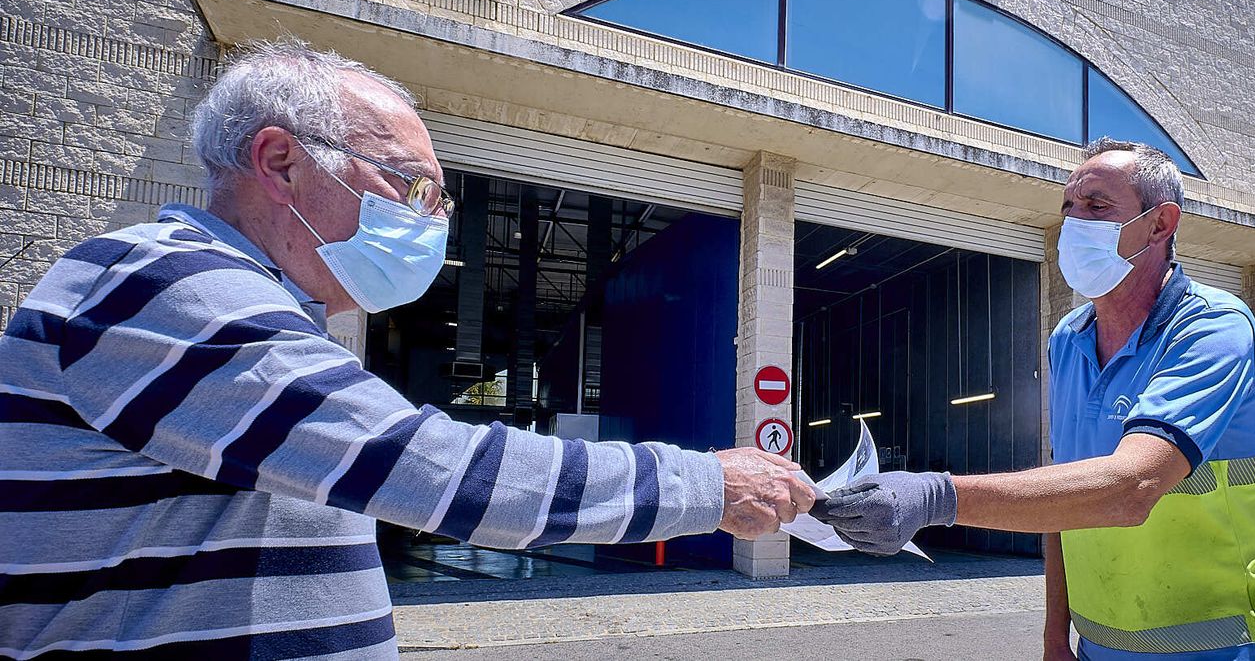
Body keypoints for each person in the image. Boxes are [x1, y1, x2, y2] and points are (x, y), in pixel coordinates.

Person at [0, 41, 813, 659]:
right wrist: (707, 483)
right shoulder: (164, 283)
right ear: (280, 162)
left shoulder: (255, 313)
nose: (431, 220)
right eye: (410, 185)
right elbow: (429, 469)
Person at [814, 139, 1255, 661]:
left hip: (1219, 650)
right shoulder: (1068, 338)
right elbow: (1066, 497)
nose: (1075, 223)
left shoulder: (1213, 329)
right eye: (1069, 209)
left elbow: (1131, 487)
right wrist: (1054, 638)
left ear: (1160, 224)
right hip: (1097, 648)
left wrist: (935, 497)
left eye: (1097, 206)